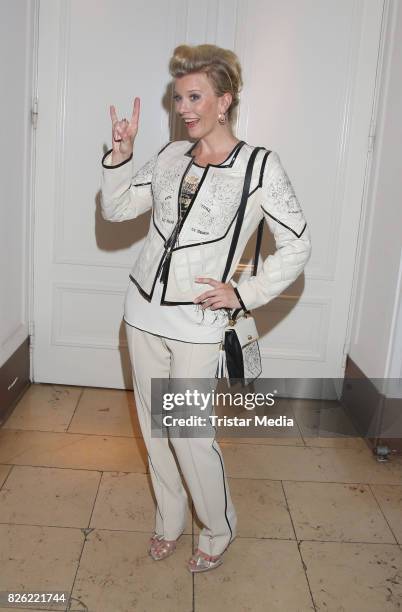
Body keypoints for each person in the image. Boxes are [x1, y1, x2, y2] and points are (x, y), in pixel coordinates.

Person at [100, 43, 312, 573]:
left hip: (197, 325)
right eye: (178, 99)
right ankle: (169, 518)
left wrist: (244, 293)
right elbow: (118, 207)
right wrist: (120, 156)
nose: (185, 109)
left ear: (225, 100)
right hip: (141, 314)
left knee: (189, 433)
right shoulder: (171, 155)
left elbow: (298, 246)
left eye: (195, 97)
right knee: (154, 430)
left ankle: (217, 527)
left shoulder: (260, 167)